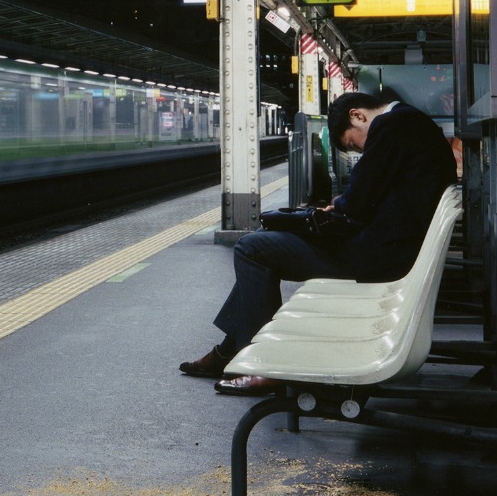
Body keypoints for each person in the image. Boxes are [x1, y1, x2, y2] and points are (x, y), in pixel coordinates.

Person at [179, 90, 458, 396]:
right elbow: (372, 191)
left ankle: (262, 364)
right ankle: (228, 351)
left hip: (378, 259)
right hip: (391, 250)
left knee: (252, 249)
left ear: (358, 116)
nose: (361, 150)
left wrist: (337, 206)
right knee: (260, 244)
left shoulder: (392, 124)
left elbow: (359, 200)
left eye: (354, 144)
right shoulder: (412, 123)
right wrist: (341, 205)